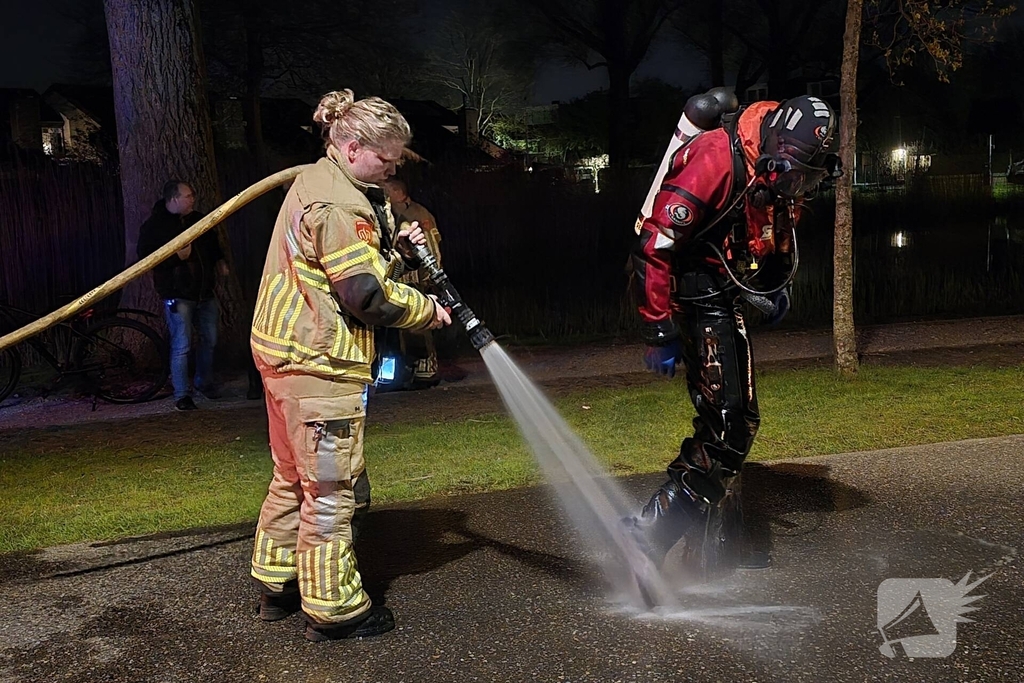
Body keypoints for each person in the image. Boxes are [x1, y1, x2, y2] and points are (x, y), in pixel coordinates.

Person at [249, 89, 451, 642]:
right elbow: (366, 298)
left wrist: (394, 256)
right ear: (353, 145)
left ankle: (277, 582)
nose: (392, 170)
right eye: (386, 159)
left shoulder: (319, 182)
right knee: (332, 492)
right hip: (319, 362)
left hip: (286, 354)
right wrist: (426, 309)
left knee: (292, 477)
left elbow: (341, 270)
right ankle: (335, 609)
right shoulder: (340, 204)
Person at [625, 89, 840, 574]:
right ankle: (651, 533)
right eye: (793, 175)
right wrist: (658, 327)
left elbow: (776, 227)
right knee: (729, 426)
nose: (795, 187)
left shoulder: (779, 170)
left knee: (735, 423)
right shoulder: (716, 159)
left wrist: (774, 282)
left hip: (722, 288)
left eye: (805, 179)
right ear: (776, 145)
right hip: (691, 289)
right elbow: (654, 246)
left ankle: (705, 546)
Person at [137, 180, 228, 411]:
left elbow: (212, 245)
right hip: (178, 294)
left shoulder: (198, 219)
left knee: (210, 339)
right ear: (174, 199)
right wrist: (176, 258)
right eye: (188, 196)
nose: (192, 199)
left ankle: (203, 382)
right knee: (182, 344)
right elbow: (146, 259)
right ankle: (181, 394)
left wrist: (220, 262)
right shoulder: (155, 226)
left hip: (204, 292)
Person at [383, 177, 443, 386]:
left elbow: (431, 248)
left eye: (387, 191)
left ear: (398, 193)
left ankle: (426, 369)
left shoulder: (416, 215)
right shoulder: (399, 213)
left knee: (418, 325)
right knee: (403, 328)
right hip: (401, 275)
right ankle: (408, 369)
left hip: (416, 277)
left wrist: (431, 276)